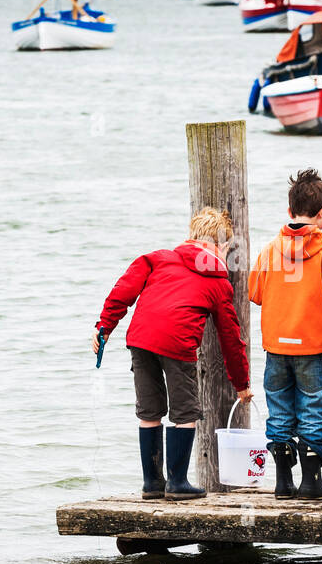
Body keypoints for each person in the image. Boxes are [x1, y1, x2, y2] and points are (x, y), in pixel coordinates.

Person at [94, 208, 253, 501]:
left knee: (149, 411)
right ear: (220, 246)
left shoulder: (157, 259)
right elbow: (231, 338)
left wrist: (104, 327)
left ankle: (152, 484)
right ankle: (178, 483)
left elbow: (123, 292)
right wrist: (241, 384)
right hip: (177, 344)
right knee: (185, 413)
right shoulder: (218, 283)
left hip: (140, 339)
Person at [249, 168, 322, 501]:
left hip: (276, 347)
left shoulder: (269, 251)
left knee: (279, 410)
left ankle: (283, 482)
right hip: (311, 348)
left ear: (290, 211)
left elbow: (255, 292)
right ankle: (311, 482)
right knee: (313, 409)